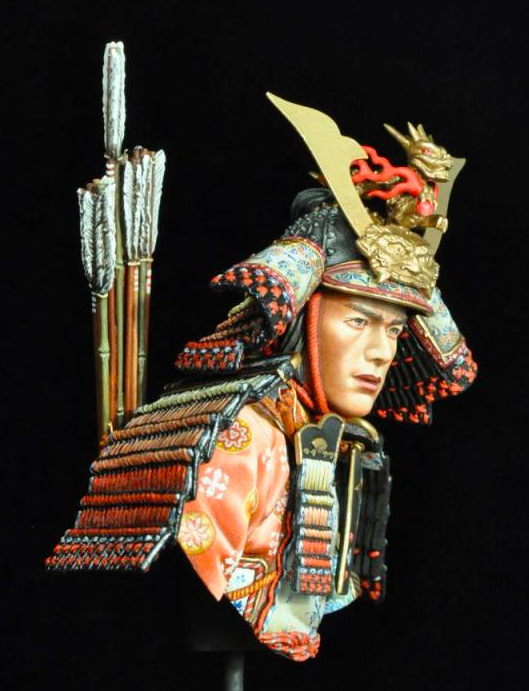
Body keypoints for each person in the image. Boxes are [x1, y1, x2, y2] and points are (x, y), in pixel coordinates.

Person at [47, 101, 477, 662]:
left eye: (394, 330)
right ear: (302, 320)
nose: (381, 351)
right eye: (358, 321)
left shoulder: (337, 436)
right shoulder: (244, 436)